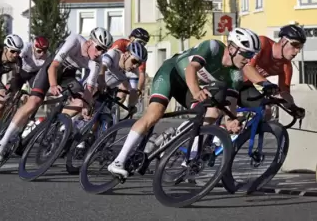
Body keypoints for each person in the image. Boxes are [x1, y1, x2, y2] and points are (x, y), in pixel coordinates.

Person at [107, 27, 261, 178]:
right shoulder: (213, 48)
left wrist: (231, 121)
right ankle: (118, 161)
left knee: (213, 111)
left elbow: (230, 104)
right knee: (155, 114)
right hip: (172, 74)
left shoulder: (236, 75)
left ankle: (190, 158)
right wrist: (196, 92)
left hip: (190, 87)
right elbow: (191, 69)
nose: (249, 59)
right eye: (247, 53)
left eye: (252, 55)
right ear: (232, 48)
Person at [0, 27, 114, 161]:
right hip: (51, 69)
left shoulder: (96, 62)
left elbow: (89, 90)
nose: (99, 53)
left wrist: (85, 106)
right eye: (99, 48)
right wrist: (54, 85)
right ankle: (3, 142)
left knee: (79, 102)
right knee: (34, 102)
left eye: (104, 50)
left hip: (69, 77)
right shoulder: (75, 40)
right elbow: (54, 66)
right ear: (90, 42)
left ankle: (57, 123)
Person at [0, 36, 51, 143]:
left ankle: (27, 119)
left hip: (33, 75)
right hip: (20, 72)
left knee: (34, 98)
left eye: (44, 51)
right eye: (39, 51)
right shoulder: (26, 47)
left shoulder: (47, 57)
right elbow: (15, 61)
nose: (41, 54)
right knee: (8, 94)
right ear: (33, 47)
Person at [241, 24, 306, 119]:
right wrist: (266, 84)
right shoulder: (262, 43)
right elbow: (247, 68)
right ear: (283, 41)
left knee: (266, 111)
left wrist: (293, 107)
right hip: (230, 80)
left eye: (300, 47)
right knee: (219, 113)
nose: (297, 51)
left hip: (246, 87)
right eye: (295, 45)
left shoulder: (286, 65)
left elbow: (284, 93)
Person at [110, 28, 150, 96]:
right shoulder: (121, 43)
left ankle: (117, 106)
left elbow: (141, 73)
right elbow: (109, 57)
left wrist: (139, 90)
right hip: (113, 68)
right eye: (140, 42)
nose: (141, 45)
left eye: (144, 44)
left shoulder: (140, 53)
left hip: (126, 72)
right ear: (131, 38)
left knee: (124, 92)